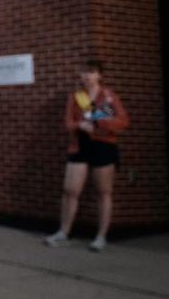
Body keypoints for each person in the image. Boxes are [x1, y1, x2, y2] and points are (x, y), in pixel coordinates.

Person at [44, 59, 129, 252]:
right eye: (83, 72)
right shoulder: (76, 97)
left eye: (90, 72)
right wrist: (79, 125)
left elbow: (123, 121)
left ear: (99, 75)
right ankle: (64, 232)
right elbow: (68, 123)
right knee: (70, 190)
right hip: (79, 146)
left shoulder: (108, 96)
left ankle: (101, 236)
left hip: (103, 146)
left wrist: (100, 124)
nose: (86, 76)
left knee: (103, 192)